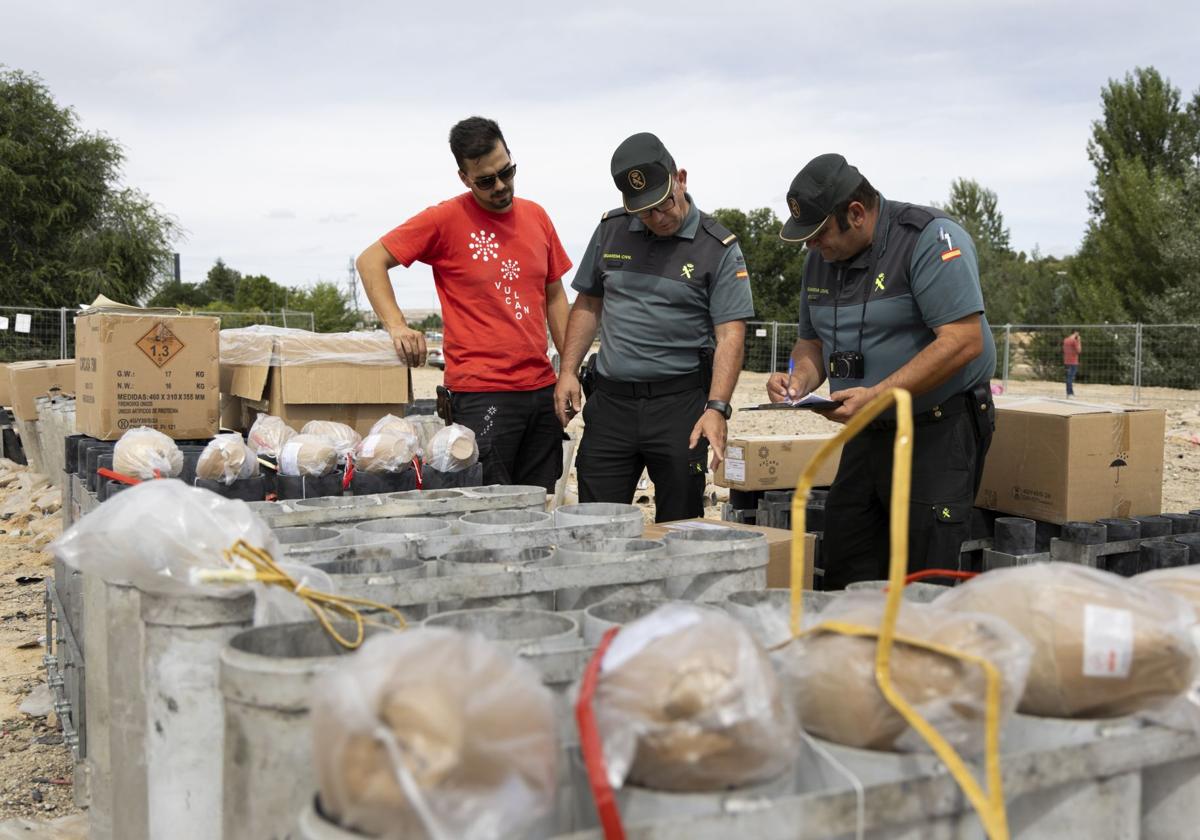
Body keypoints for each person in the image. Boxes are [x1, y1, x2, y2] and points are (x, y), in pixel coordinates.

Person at [768, 153, 996, 588]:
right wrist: (797, 376)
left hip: (937, 430)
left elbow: (963, 340)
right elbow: (810, 342)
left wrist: (879, 394)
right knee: (848, 557)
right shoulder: (819, 259)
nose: (811, 246)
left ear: (856, 213)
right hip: (867, 431)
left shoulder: (928, 238)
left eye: (818, 234)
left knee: (922, 577)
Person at [356, 116, 571, 492]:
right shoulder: (444, 219)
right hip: (482, 392)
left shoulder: (537, 216)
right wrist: (397, 325)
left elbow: (555, 294)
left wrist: (568, 370)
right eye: (486, 180)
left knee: (539, 501)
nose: (501, 186)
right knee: (489, 505)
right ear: (464, 177)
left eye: (507, 171)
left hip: (540, 390)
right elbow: (371, 261)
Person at [554, 132, 754, 523]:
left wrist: (717, 408)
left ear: (680, 179)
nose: (658, 218)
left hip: (679, 406)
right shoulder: (611, 229)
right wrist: (567, 371)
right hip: (610, 405)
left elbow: (730, 334)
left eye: (664, 204)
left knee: (680, 524)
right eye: (645, 212)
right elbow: (589, 303)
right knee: (594, 522)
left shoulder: (718, 247)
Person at [1062, 330, 1081, 397]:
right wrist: (1079, 341)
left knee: (1068, 377)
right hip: (1073, 361)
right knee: (1071, 378)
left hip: (1067, 361)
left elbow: (1064, 350)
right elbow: (1079, 350)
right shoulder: (1074, 341)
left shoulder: (1065, 340)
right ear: (1075, 333)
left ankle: (1069, 393)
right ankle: (1070, 393)